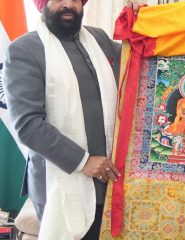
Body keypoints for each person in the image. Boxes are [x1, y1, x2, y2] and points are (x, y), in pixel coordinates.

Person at [4, 0, 121, 239]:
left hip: (109, 177)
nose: (68, 5)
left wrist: (140, 21)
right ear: (43, 4)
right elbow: (27, 125)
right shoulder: (24, 50)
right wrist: (83, 161)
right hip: (61, 178)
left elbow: (136, 60)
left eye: (75, 0)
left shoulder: (99, 40)